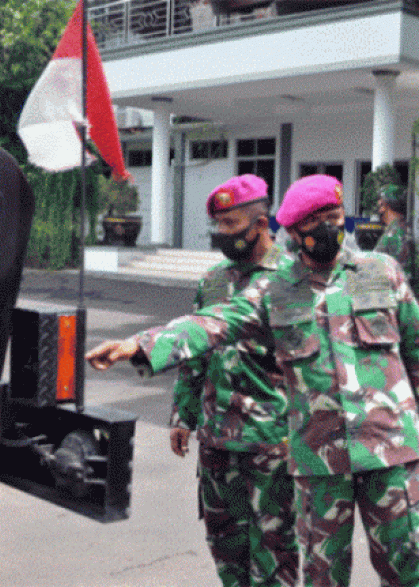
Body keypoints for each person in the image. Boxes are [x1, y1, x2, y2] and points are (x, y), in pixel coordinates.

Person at [88, 174, 419, 587]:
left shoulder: (381, 271)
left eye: (335, 216)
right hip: (321, 461)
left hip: (390, 451)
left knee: (408, 573)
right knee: (323, 577)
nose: (329, 227)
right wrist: (138, 345)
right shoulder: (276, 290)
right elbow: (214, 323)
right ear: (293, 230)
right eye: (316, 221)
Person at [170, 174, 298, 587]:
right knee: (225, 548)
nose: (222, 235)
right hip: (217, 441)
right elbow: (195, 352)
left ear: (262, 224)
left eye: (232, 225)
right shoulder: (213, 280)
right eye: (219, 225)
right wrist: (182, 414)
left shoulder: (293, 279)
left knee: (276, 553)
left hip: (272, 442)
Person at [373, 184, 414, 278]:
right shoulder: (395, 229)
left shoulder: (397, 233)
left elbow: (401, 274)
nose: (379, 210)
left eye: (381, 205)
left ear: (386, 205)